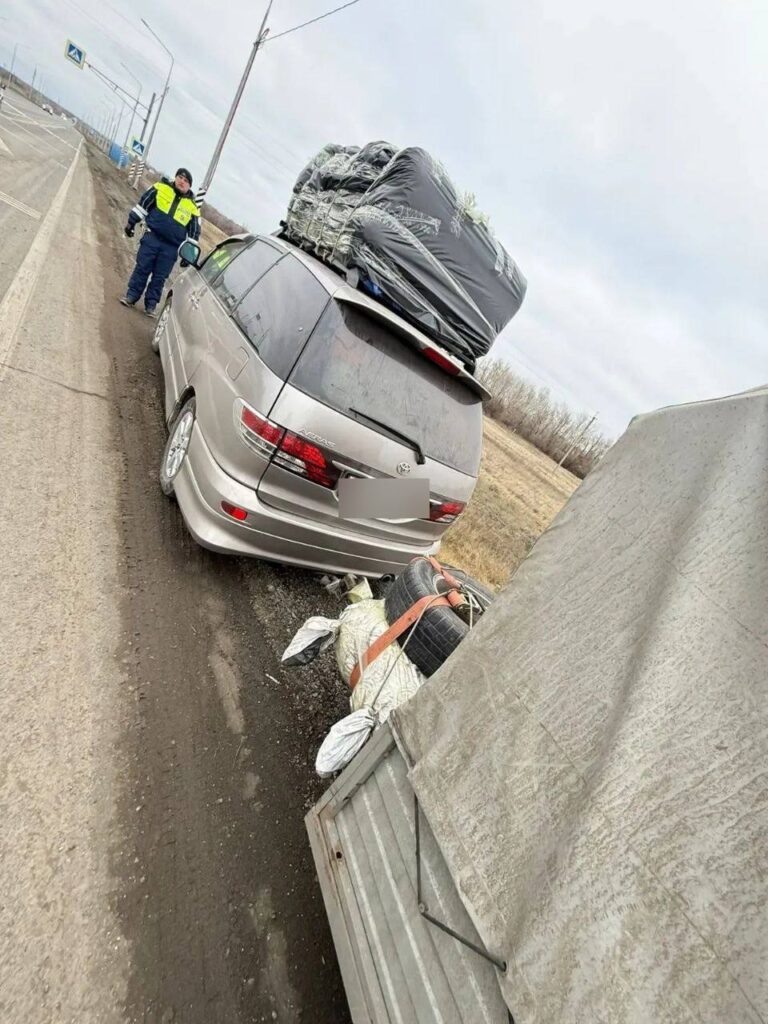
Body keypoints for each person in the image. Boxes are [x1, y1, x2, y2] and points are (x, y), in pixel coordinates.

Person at [120, 168, 200, 318]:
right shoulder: (160, 188)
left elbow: (194, 233)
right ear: (175, 178)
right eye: (180, 177)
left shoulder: (193, 208)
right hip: (152, 238)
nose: (182, 181)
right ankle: (131, 296)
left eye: (186, 181)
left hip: (171, 248)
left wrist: (188, 255)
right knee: (142, 268)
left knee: (159, 277)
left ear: (189, 186)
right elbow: (143, 205)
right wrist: (131, 223)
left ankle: (151, 305)